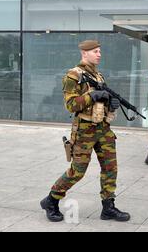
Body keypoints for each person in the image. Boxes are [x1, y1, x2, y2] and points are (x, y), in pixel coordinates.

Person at [40, 40, 130, 223]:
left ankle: (108, 207)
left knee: (110, 168)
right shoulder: (73, 76)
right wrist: (92, 95)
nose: (99, 54)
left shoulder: (99, 76)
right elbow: (71, 105)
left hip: (103, 128)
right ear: (84, 53)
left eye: (99, 51)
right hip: (84, 130)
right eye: (95, 51)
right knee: (78, 171)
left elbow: (102, 99)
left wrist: (111, 103)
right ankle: (51, 200)